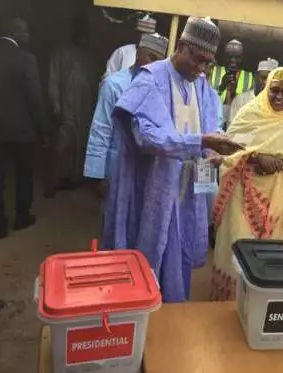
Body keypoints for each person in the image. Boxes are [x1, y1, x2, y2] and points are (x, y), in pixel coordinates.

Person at [104, 16, 243, 302]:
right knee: (147, 254)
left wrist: (213, 149)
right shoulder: (150, 79)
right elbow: (148, 138)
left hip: (187, 189)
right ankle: (139, 314)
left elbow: (210, 123)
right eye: (197, 59)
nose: (201, 68)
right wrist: (200, 142)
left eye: (208, 62)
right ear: (180, 46)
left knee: (178, 255)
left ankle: (172, 316)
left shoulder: (201, 85)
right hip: (152, 188)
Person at [210, 67, 283, 301]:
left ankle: (256, 302)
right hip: (241, 192)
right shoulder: (250, 113)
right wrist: (256, 157)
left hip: (276, 198)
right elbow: (231, 147)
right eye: (274, 90)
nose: (279, 97)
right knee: (236, 244)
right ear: (267, 87)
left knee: (267, 251)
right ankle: (227, 302)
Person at [0, 16, 45, 237]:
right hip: (22, 132)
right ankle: (21, 217)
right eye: (26, 31)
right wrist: (41, 128)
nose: (28, 36)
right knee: (23, 176)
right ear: (17, 33)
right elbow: (35, 98)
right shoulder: (27, 59)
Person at [84, 33, 169, 184]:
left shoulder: (161, 89)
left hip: (145, 170)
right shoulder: (114, 84)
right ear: (138, 54)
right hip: (115, 167)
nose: (153, 65)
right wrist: (97, 175)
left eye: (158, 60)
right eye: (151, 57)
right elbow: (101, 128)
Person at [46, 16, 98, 197]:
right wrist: (56, 105)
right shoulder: (61, 50)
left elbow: (95, 83)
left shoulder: (90, 54)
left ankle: (73, 179)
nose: (83, 35)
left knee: (79, 146)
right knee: (61, 145)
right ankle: (53, 182)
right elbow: (53, 79)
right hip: (66, 108)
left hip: (84, 109)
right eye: (80, 30)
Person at [209, 39, 254, 128]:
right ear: (224, 57)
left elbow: (250, 105)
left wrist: (234, 94)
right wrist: (221, 88)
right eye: (229, 56)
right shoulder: (213, 72)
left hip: (237, 123)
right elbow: (205, 99)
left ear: (241, 58)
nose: (233, 60)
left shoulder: (249, 77)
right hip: (213, 122)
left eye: (237, 57)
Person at [228, 57, 279, 122]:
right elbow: (232, 128)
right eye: (264, 78)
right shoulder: (241, 100)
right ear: (255, 76)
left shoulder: (277, 105)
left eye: (270, 79)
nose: (266, 82)